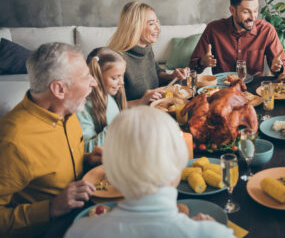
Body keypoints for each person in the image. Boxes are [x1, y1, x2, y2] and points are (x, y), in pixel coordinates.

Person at [65, 106, 235, 238]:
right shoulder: (215, 234)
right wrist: (205, 230)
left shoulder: (80, 231)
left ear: (112, 168)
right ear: (178, 162)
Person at [0, 42, 102, 237]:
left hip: (84, 213)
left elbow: (53, 163)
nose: (94, 82)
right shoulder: (13, 142)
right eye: (85, 76)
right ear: (59, 89)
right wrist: (50, 208)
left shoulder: (68, 112)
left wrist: (87, 159)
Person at [190, 0, 285, 75]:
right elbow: (192, 66)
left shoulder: (267, 30)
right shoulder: (213, 29)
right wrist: (202, 62)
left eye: (255, 11)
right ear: (232, 10)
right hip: (223, 88)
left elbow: (284, 67)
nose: (252, 17)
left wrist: (279, 68)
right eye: (246, 12)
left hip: (253, 89)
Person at [109, 1, 189, 106]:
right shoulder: (117, 59)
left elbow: (156, 72)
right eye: (151, 23)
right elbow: (110, 106)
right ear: (135, 27)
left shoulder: (146, 48)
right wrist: (141, 101)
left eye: (157, 22)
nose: (158, 28)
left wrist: (172, 76)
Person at [76, 47, 127, 153]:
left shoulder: (109, 97)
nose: (121, 82)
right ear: (97, 77)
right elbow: (86, 149)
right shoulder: (83, 108)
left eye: (122, 76)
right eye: (115, 78)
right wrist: (116, 127)